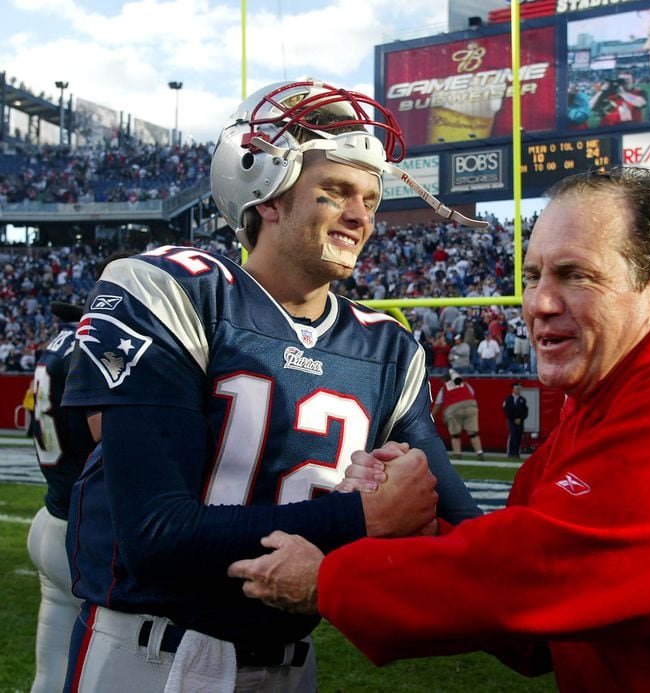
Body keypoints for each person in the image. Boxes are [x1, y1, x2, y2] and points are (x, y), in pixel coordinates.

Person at [228, 167, 650, 690]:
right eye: (531, 276)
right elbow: (532, 632)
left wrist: (330, 582)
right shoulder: (602, 401)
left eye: (576, 275)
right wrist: (417, 530)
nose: (540, 303)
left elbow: (547, 573)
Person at [60, 79, 484, 692]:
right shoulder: (176, 291)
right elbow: (153, 533)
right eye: (335, 192)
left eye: (370, 198)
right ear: (267, 193)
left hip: (291, 663)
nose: (361, 216)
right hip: (150, 655)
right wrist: (361, 517)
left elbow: (452, 521)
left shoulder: (386, 346)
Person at [26, 301, 98, 693]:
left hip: (52, 515)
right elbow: (107, 432)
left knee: (51, 677)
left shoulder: (59, 343)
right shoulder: (94, 345)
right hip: (83, 533)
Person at [430, 370, 484, 461]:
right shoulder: (464, 383)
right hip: (470, 405)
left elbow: (438, 404)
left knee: (455, 435)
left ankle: (458, 455)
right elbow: (472, 393)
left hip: (453, 408)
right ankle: (479, 453)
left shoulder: (444, 387)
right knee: (473, 433)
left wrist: (430, 418)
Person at [502, 382, 528, 459]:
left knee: (518, 436)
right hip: (511, 421)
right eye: (516, 389)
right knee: (513, 435)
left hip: (520, 421)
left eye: (519, 389)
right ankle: (510, 453)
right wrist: (513, 419)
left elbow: (525, 411)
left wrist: (520, 418)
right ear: (513, 389)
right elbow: (506, 410)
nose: (518, 390)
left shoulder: (522, 400)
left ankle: (516, 453)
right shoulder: (508, 399)